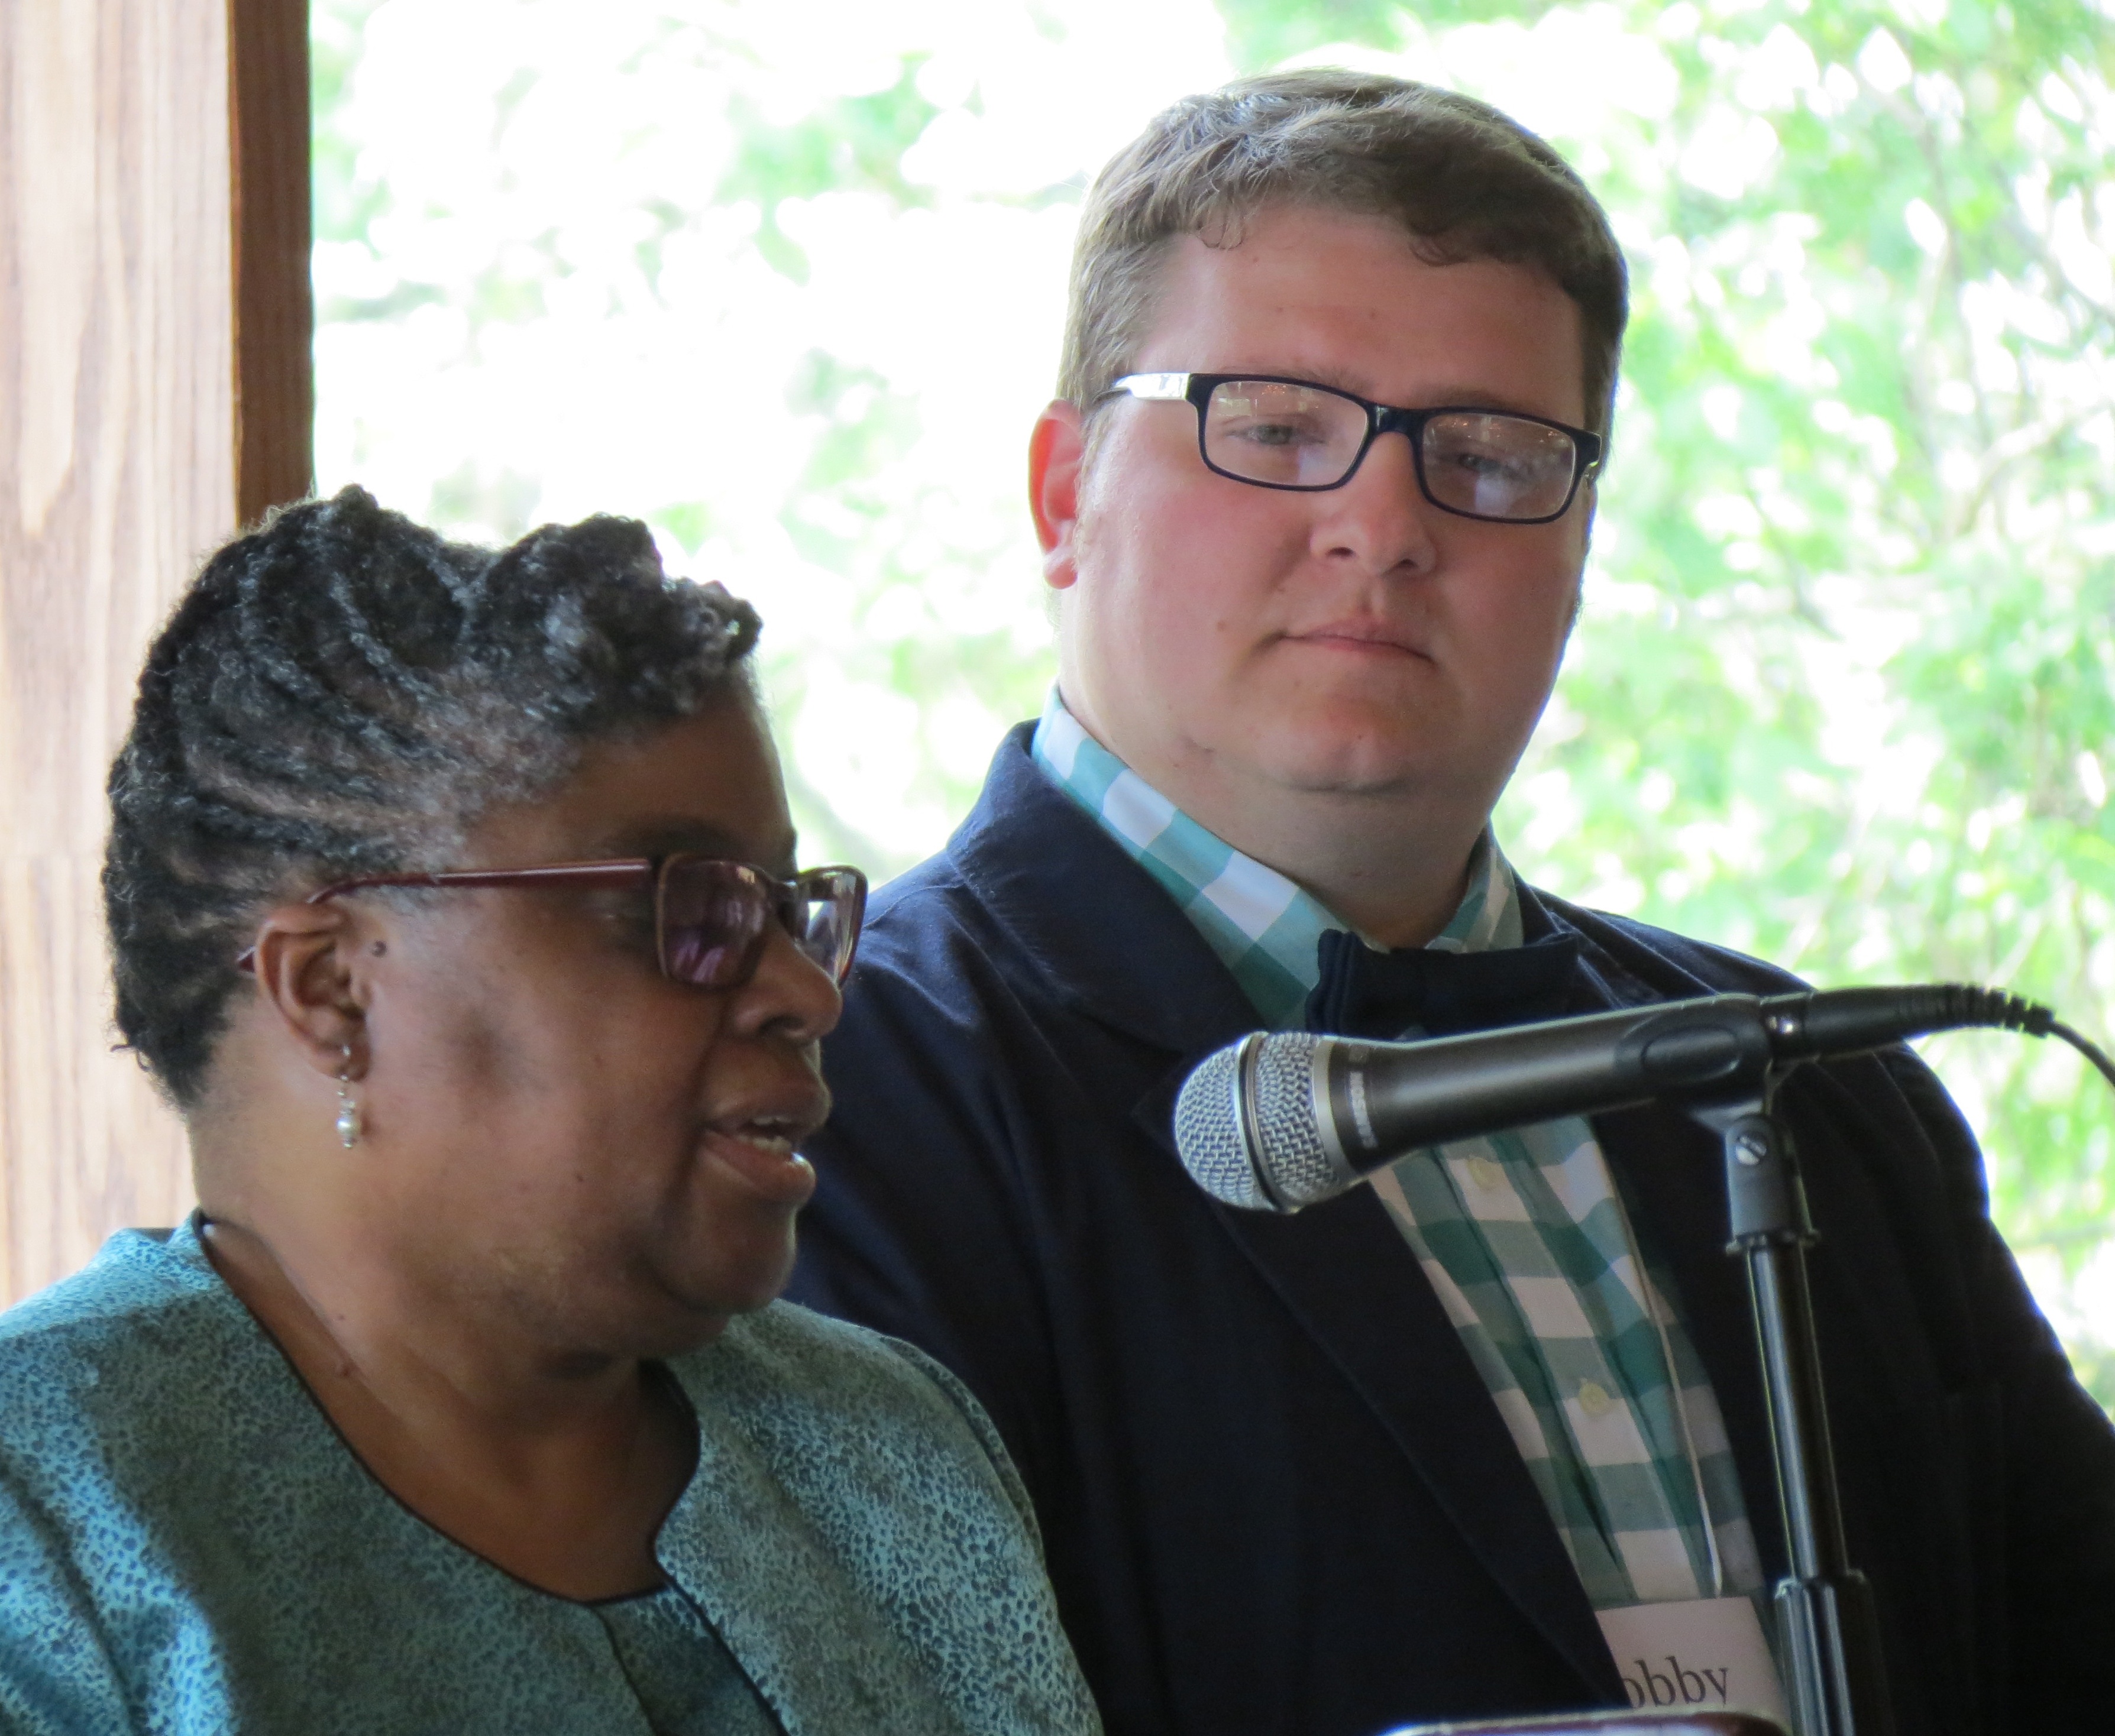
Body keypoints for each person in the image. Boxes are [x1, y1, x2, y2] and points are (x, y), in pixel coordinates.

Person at [787, 70, 2115, 1736]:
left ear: (1583, 545)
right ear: (1066, 496)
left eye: (1490, 457)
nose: (1384, 526)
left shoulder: (1820, 1090)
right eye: (1273, 427)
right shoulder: (825, 1104)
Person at [0, 488, 1100, 1735]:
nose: (804, 991)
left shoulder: (891, 1450)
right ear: (333, 989)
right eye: (686, 909)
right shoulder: (47, 1514)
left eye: (789, 909)